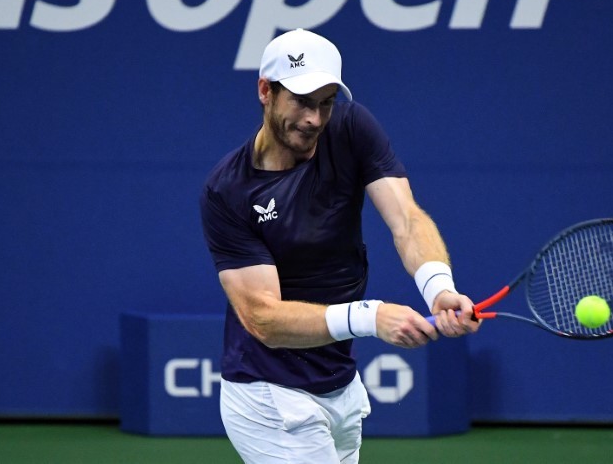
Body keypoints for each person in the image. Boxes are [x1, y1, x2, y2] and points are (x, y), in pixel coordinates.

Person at [199, 28, 480, 463]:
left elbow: (406, 218)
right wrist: (371, 317)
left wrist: (438, 287)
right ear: (265, 91)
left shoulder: (350, 128)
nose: (315, 118)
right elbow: (262, 318)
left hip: (339, 385)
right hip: (268, 395)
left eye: (326, 102)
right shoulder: (228, 191)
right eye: (303, 101)